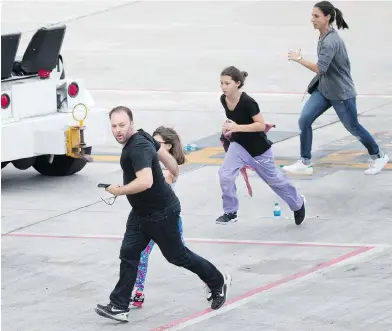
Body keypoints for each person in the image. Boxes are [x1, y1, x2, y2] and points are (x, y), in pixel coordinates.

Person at [95, 106, 231, 322]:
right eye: (114, 126)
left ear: (131, 123)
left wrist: (118, 190)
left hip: (161, 213)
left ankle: (217, 281)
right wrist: (174, 170)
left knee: (177, 256)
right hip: (141, 212)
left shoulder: (137, 146)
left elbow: (146, 181)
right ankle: (119, 305)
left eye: (122, 125)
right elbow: (165, 156)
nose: (118, 130)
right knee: (129, 253)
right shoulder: (143, 135)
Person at [282, 0, 389, 175]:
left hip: (341, 93)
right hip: (324, 90)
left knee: (353, 127)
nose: (312, 19)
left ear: (327, 17)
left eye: (316, 16)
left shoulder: (331, 41)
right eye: (312, 15)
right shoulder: (323, 36)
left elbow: (320, 68)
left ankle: (378, 156)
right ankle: (305, 162)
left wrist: (298, 59)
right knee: (304, 120)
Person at [216, 66, 306, 226]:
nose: (223, 87)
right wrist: (229, 128)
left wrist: (237, 127)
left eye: (227, 83)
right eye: (221, 83)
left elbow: (260, 125)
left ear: (237, 83)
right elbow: (234, 122)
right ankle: (230, 212)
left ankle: (298, 203)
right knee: (225, 175)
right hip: (238, 146)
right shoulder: (224, 99)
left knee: (275, 181)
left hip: (259, 150)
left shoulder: (248, 102)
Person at [130, 126, 186, 308]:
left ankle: (212, 280)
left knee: (182, 255)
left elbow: (157, 183)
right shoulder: (151, 162)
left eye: (156, 143)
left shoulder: (169, 168)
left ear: (167, 146)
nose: (151, 146)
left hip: (167, 219)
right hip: (151, 218)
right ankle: (138, 291)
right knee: (141, 253)